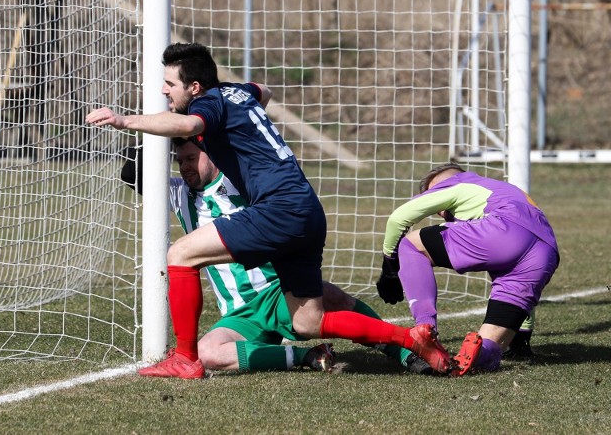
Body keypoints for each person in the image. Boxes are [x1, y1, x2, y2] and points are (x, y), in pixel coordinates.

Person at [87, 42, 452, 377]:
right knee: (309, 323)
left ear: (195, 87)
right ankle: (411, 340)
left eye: (170, 84)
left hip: (279, 208)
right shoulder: (238, 94)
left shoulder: (207, 105)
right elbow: (264, 90)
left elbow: (188, 124)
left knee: (180, 255)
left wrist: (124, 120)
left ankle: (184, 360)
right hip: (305, 208)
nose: (165, 90)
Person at [123, 137, 433, 377]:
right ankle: (308, 356)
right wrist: (169, 132)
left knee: (330, 296)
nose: (185, 167)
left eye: (191, 158)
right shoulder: (178, 194)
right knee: (205, 354)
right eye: (179, 161)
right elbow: (129, 171)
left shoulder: (239, 181)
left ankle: (406, 352)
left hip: (277, 291)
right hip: (241, 313)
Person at [376, 163, 560, 375]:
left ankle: (425, 331)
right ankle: (484, 355)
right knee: (489, 344)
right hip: (546, 252)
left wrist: (389, 266)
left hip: (504, 231)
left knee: (410, 245)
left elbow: (398, 219)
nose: (440, 213)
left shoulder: (456, 184)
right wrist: (521, 334)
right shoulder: (506, 190)